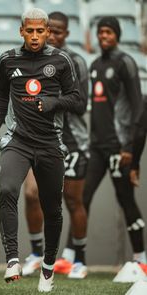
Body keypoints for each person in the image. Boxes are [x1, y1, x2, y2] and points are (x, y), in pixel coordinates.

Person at [0, 7, 85, 292]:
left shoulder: (61, 60)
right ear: (22, 31)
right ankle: (12, 259)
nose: (36, 36)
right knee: (7, 190)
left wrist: (55, 103)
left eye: (41, 31)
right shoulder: (8, 60)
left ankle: (48, 267)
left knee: (52, 210)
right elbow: (1, 98)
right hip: (18, 141)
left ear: (48, 32)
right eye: (31, 31)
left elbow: (77, 100)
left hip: (51, 142)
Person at [22, 11, 89, 279]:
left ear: (67, 34)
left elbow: (82, 104)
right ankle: (37, 254)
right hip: (37, 136)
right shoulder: (32, 58)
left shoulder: (76, 61)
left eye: (60, 31)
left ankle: (80, 260)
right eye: (51, 30)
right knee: (30, 194)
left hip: (71, 139)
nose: (54, 35)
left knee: (72, 200)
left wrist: (53, 101)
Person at [84, 16, 146, 270]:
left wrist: (129, 148)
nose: (104, 37)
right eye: (100, 32)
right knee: (82, 198)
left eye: (109, 32)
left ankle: (141, 259)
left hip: (119, 147)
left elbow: (137, 108)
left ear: (117, 35)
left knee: (125, 199)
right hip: (97, 146)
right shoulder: (96, 65)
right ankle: (74, 257)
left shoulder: (125, 63)